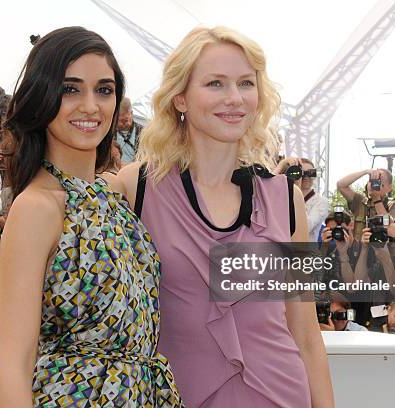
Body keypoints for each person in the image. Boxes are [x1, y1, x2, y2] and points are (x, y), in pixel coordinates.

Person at [118, 26, 334, 407]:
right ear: (180, 98)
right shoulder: (135, 188)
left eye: (245, 84)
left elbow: (305, 333)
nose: (234, 99)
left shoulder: (285, 198)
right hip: (176, 396)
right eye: (215, 84)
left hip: (279, 394)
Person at [0, 27, 182, 408]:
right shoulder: (37, 207)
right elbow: (14, 365)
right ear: (42, 97)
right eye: (70, 89)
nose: (91, 106)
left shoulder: (111, 199)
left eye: (104, 89)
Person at [336, 168, 395, 238]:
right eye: (372, 180)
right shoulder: (360, 202)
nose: (374, 184)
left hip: (382, 248)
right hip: (360, 248)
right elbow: (341, 185)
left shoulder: (394, 204)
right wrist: (366, 171)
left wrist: (376, 199)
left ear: (389, 188)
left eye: (379, 181)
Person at [274, 157, 328, 243]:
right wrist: (282, 164)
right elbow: (267, 190)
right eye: (302, 172)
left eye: (310, 173)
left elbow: (307, 227)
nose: (306, 176)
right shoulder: (284, 195)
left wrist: (297, 191)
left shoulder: (320, 201)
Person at [115, 97, 143, 164]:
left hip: (137, 171)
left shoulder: (143, 132)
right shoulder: (108, 133)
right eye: (121, 120)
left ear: (131, 114)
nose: (123, 123)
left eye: (126, 120)